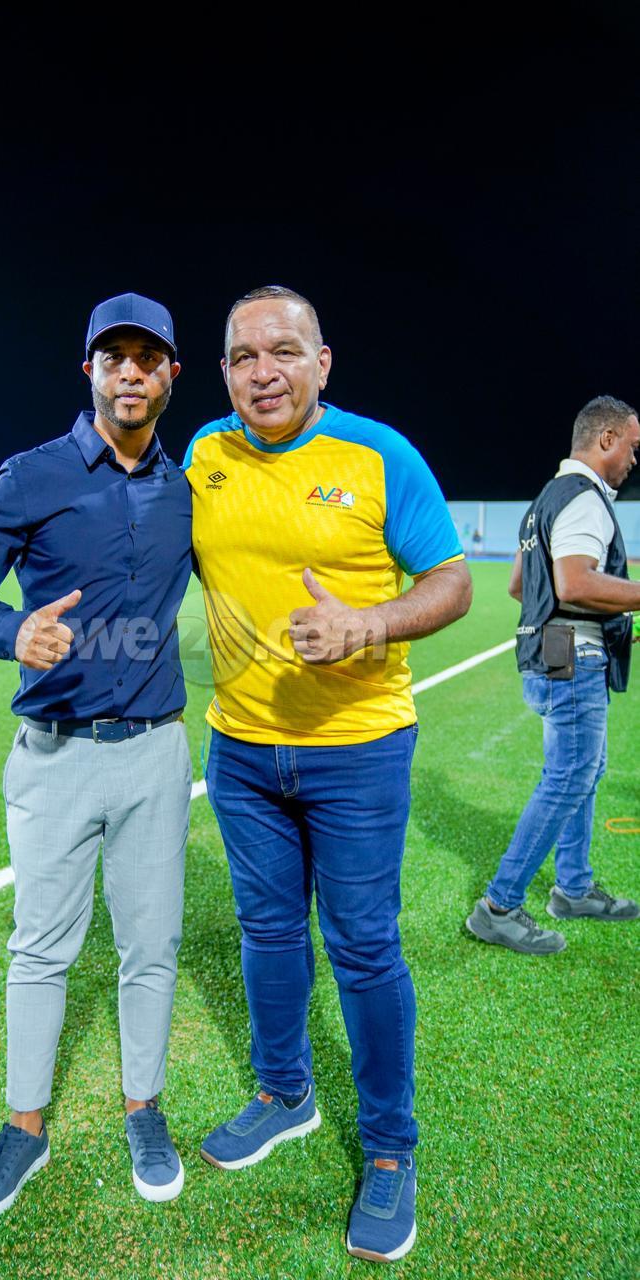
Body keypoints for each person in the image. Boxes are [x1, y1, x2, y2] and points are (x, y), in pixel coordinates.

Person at [182, 285, 472, 1263]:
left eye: (282, 351)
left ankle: (389, 1147)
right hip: (239, 750)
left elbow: (451, 581)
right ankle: (284, 1093)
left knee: (362, 946)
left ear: (321, 361)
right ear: (223, 372)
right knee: (266, 931)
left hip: (358, 748)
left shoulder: (379, 454)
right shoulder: (205, 454)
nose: (262, 372)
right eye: (241, 356)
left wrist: (368, 623)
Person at [0, 292, 193, 1225]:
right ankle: (24, 1128)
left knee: (151, 948)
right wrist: (11, 631)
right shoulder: (32, 475)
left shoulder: (189, 487)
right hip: (54, 756)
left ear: (170, 375)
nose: (130, 373)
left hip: (156, 753)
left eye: (147, 358)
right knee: (40, 950)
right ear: (89, 370)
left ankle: (143, 1111)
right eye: (113, 357)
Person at [466, 396, 640, 955]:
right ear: (606, 439)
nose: (634, 459)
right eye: (632, 447)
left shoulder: (545, 497)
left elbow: (521, 585)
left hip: (554, 653)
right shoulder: (585, 497)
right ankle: (498, 907)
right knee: (569, 777)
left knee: (582, 771)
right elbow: (573, 582)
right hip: (573, 658)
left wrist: (606, 618)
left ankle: (574, 888)